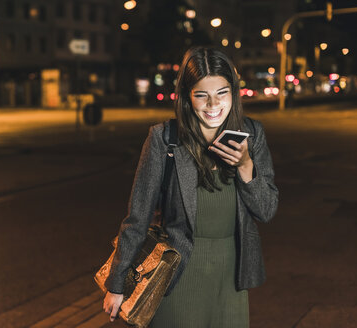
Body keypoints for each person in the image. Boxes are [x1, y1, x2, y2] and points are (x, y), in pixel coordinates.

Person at [102, 47, 278, 327]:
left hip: (231, 276)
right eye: (201, 95)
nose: (213, 105)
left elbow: (266, 210)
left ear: (233, 92)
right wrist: (117, 282)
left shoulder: (252, 135)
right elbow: (138, 216)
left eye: (222, 93)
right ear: (186, 96)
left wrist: (246, 166)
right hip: (179, 274)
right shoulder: (164, 139)